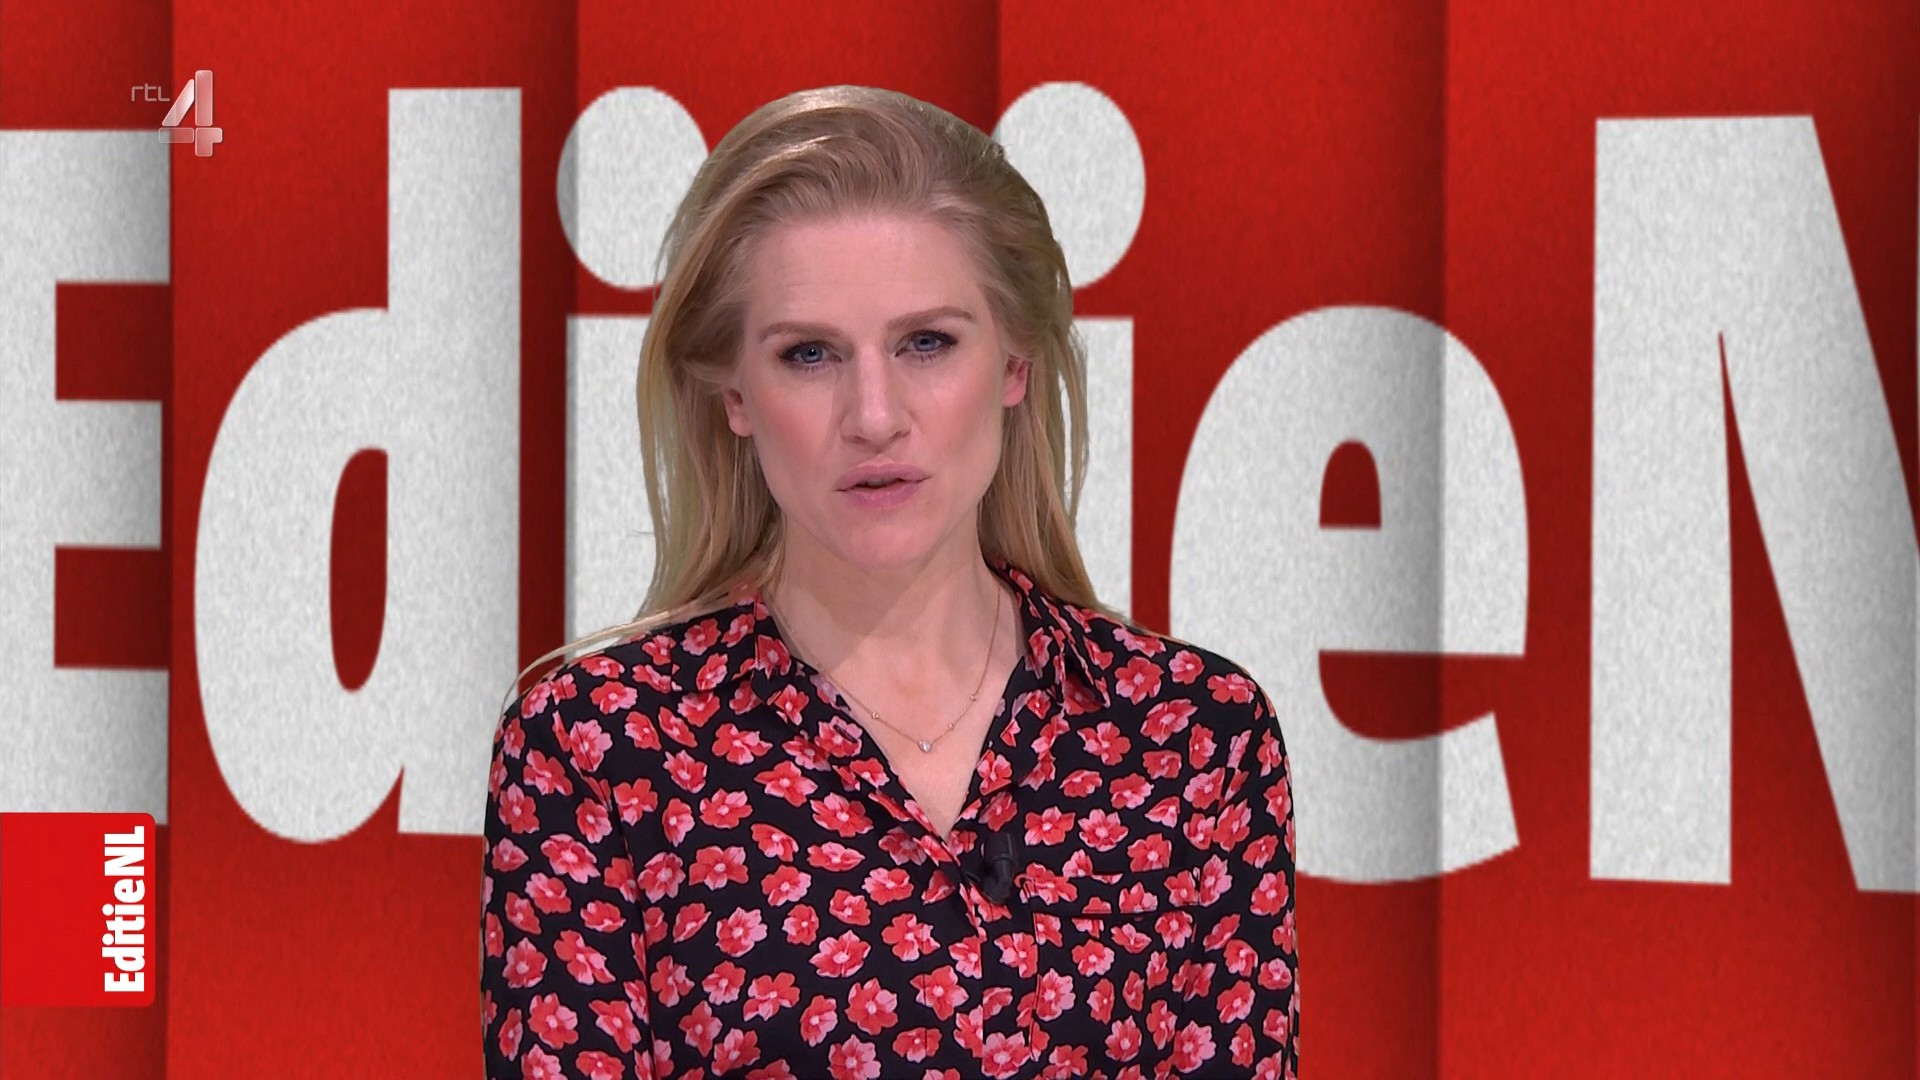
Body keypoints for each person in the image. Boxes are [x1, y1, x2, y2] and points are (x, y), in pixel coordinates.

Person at [479, 84, 1298, 1080]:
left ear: (1015, 364)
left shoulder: (1195, 738)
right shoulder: (596, 748)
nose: (874, 415)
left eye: (926, 343)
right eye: (809, 354)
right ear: (735, 395)